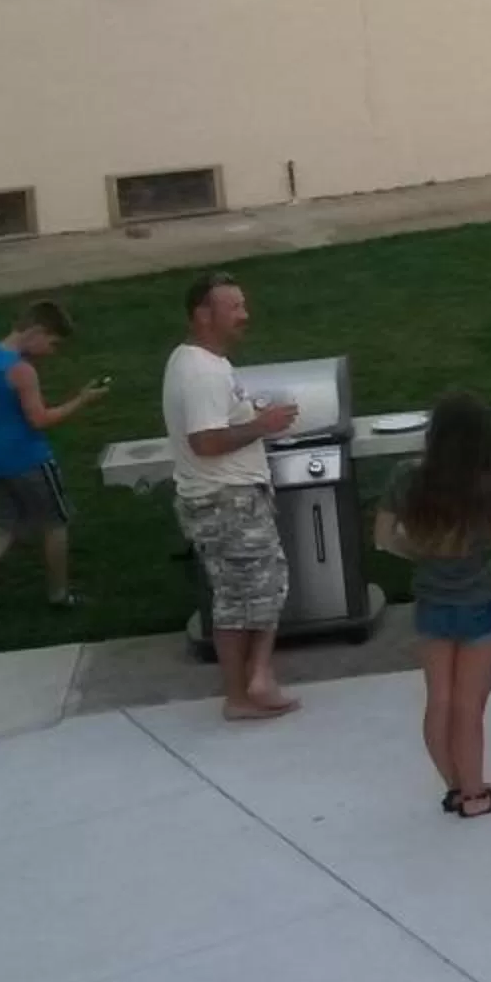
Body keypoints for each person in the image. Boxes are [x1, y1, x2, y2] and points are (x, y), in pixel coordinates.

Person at [378, 393, 491, 819]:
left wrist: (423, 552)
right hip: (480, 603)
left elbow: (384, 538)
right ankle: (475, 796)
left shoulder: (406, 477)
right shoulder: (488, 487)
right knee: (470, 707)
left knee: (440, 701)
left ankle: (459, 786)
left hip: (431, 603)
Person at [161, 273, 302, 721]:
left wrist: (253, 415)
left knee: (244, 594)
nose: (245, 315)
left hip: (225, 498)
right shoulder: (201, 370)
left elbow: (216, 423)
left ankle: (245, 690)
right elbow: (205, 441)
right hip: (227, 500)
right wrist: (266, 424)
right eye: (234, 307)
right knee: (257, 591)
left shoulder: (204, 363)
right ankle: (253, 682)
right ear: (204, 314)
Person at [0, 301, 109, 606]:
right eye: (52, 343)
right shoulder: (20, 369)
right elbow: (39, 419)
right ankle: (59, 594)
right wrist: (82, 400)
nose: (52, 351)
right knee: (56, 522)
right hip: (29, 458)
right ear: (37, 331)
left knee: (8, 522)